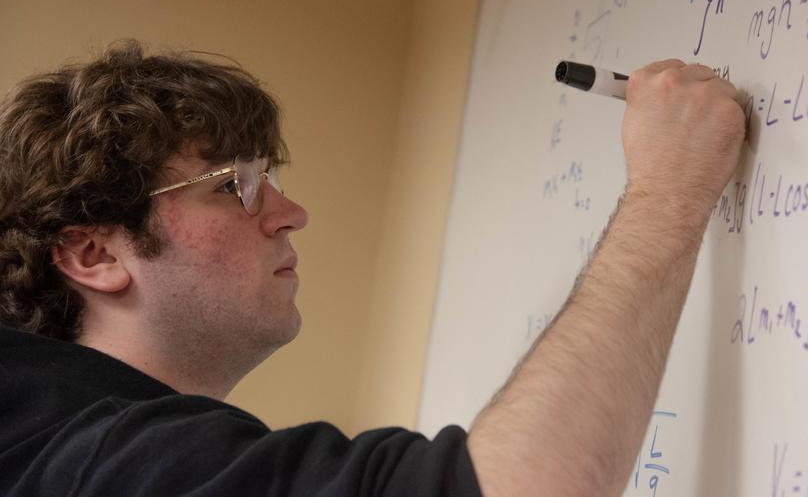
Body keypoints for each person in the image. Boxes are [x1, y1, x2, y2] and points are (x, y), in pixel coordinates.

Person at [0, 40, 744, 497]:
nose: (291, 213)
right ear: (94, 254)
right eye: (234, 186)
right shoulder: (103, 466)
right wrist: (667, 190)